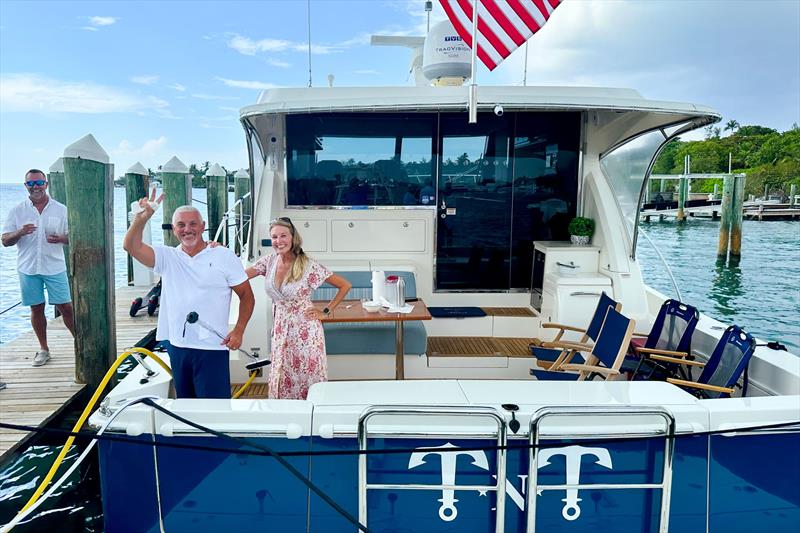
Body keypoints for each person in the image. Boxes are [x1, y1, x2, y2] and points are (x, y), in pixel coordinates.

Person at [123, 189, 255, 398]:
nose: (187, 229)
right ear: (174, 229)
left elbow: (247, 296)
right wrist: (142, 219)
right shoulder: (167, 257)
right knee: (185, 404)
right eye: (181, 225)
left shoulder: (223, 256)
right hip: (177, 345)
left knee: (215, 408)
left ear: (203, 226)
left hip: (213, 346)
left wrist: (238, 330)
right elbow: (131, 246)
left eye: (193, 224)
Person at [246, 217, 351, 400]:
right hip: (280, 330)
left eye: (283, 236)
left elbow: (345, 285)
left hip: (305, 332)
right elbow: (238, 276)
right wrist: (218, 251)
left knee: (305, 375)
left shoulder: (308, 265)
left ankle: (310, 419)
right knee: (282, 372)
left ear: (293, 237)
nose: (279, 241)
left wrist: (325, 312)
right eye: (274, 237)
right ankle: (283, 418)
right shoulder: (268, 262)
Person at [2, 169, 74, 367]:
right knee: (36, 308)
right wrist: (20, 232)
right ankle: (44, 349)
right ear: (26, 186)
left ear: (46, 184)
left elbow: (74, 237)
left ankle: (80, 345)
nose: (36, 187)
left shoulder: (61, 209)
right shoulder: (17, 210)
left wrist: (61, 238)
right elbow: (5, 240)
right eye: (31, 184)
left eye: (39, 183)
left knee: (66, 308)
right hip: (28, 268)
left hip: (55, 267)